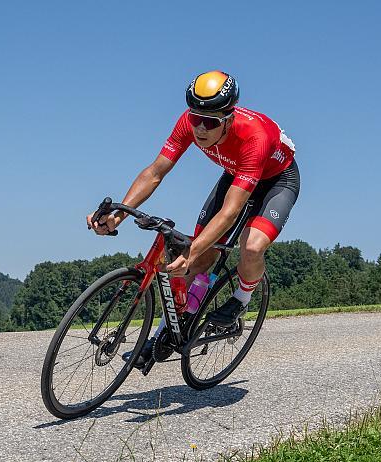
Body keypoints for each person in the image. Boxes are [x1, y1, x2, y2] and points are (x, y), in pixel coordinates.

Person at [87, 70, 300, 367]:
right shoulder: (190, 123)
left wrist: (193, 250)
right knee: (197, 260)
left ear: (228, 118)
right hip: (234, 174)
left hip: (277, 181)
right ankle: (162, 337)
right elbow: (155, 173)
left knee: (250, 247)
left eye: (210, 122)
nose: (200, 127)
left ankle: (241, 298)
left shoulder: (255, 137)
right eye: (195, 117)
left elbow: (230, 210)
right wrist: (119, 213)